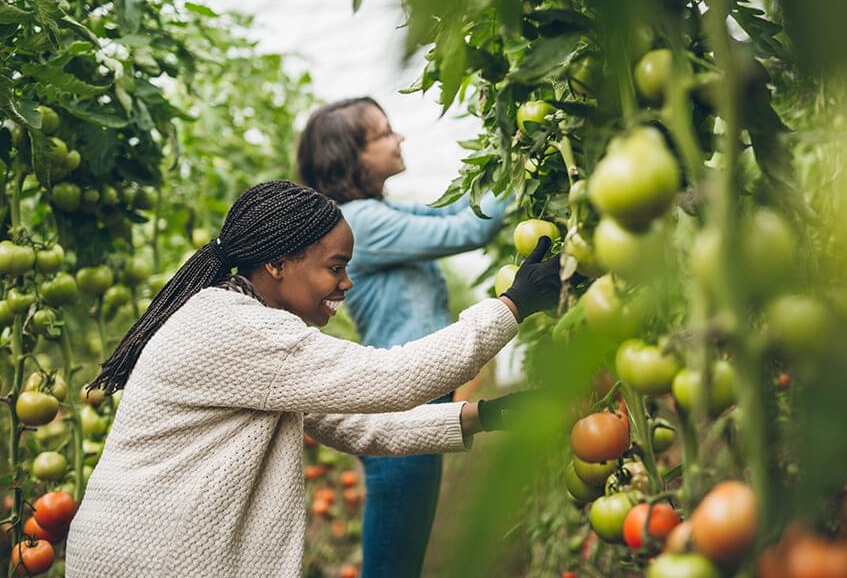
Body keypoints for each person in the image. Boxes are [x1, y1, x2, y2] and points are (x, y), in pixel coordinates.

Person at [64, 180, 561, 577]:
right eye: (335, 267)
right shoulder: (239, 328)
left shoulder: (243, 328)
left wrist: (485, 415)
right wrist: (511, 306)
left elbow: (358, 425)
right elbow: (394, 377)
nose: (346, 283)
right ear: (277, 263)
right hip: (149, 557)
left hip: (139, 549)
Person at [298, 97, 511, 577]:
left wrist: (499, 158)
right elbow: (468, 229)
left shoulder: (377, 212)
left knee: (400, 559)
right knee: (393, 566)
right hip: (403, 405)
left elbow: (450, 213)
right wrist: (515, 159)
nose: (400, 138)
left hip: (415, 399)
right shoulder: (361, 222)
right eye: (383, 133)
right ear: (350, 157)